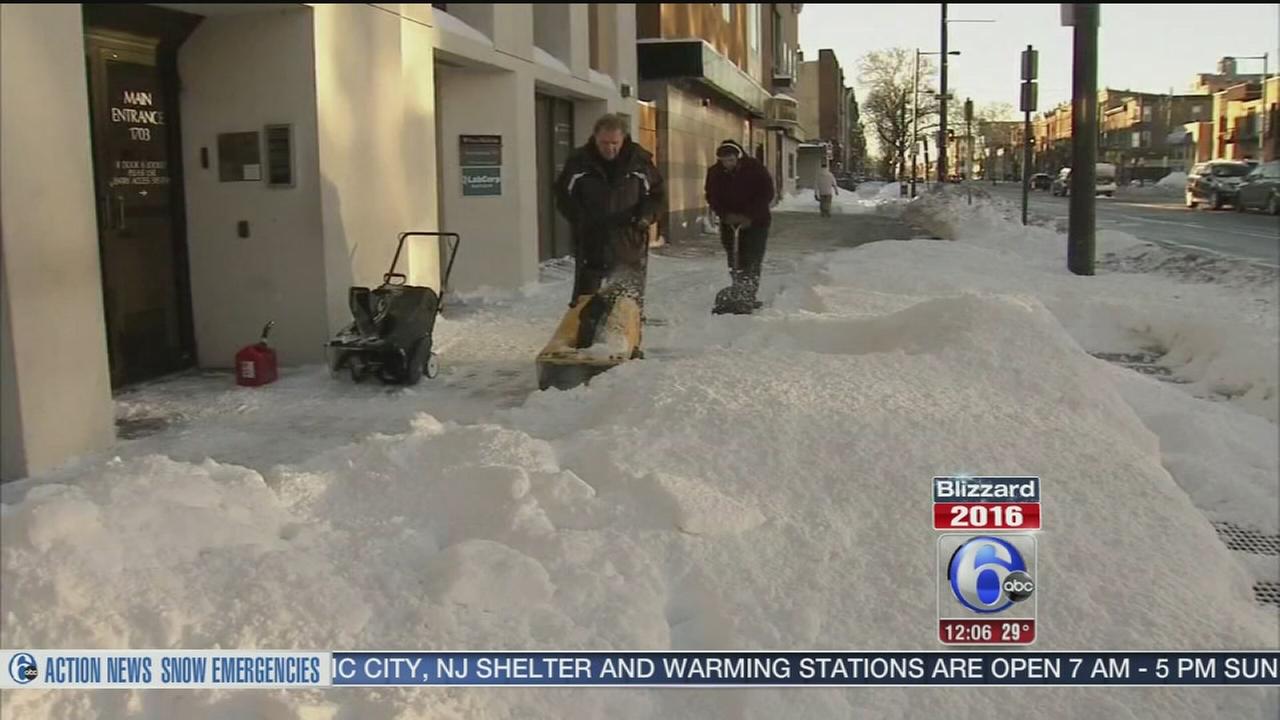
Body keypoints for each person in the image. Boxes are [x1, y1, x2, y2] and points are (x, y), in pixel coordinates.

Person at [555, 114, 665, 310]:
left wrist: (645, 217)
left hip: (629, 238)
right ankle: (583, 335)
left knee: (627, 299)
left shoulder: (639, 162)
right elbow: (563, 195)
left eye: (615, 143)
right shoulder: (579, 162)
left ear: (624, 139)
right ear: (595, 138)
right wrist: (579, 219)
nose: (609, 148)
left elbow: (657, 196)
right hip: (591, 238)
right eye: (604, 143)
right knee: (585, 298)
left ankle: (627, 334)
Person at [704, 139, 775, 304]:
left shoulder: (755, 169)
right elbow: (712, 196)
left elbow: (766, 193)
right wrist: (725, 215)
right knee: (734, 256)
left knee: (752, 256)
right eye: (723, 161)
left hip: (756, 222)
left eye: (730, 160)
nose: (727, 164)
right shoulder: (715, 172)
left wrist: (749, 216)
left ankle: (749, 293)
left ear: (738, 157)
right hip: (729, 222)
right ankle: (738, 288)